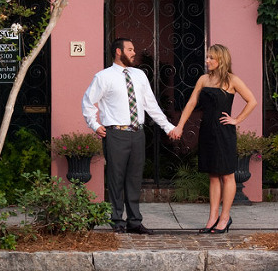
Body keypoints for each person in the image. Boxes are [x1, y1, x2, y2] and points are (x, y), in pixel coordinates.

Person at [82, 37, 179, 235]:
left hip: (138, 134)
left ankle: (134, 221)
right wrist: (95, 125)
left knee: (135, 179)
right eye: (130, 49)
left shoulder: (140, 75)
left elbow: (150, 104)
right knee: (116, 178)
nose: (134, 52)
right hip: (115, 134)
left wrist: (168, 127)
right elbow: (88, 102)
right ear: (118, 51)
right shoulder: (103, 77)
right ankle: (117, 220)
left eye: (133, 49)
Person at [169, 44, 257, 234]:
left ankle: (225, 217)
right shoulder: (203, 79)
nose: (207, 60)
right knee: (213, 176)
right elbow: (192, 103)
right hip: (207, 131)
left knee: (227, 174)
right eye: (207, 57)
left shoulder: (232, 80)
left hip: (224, 132)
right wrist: (180, 126)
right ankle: (212, 218)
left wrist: (236, 120)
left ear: (221, 60)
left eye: (211, 58)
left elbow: (252, 100)